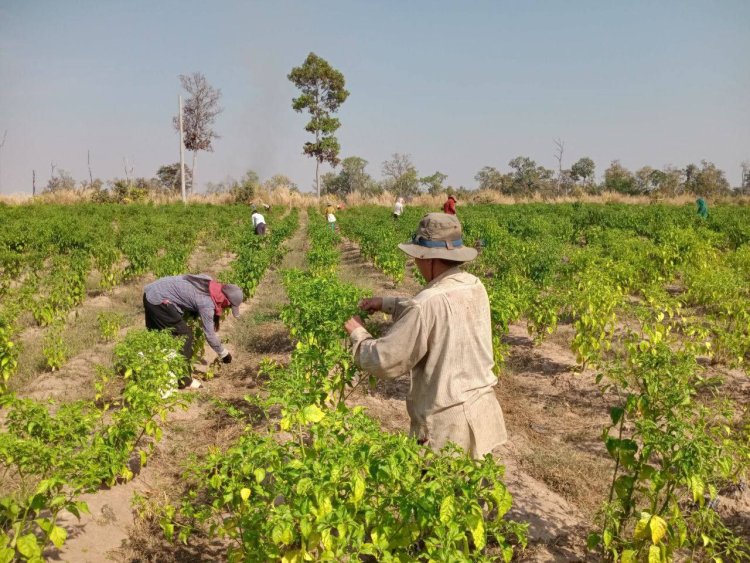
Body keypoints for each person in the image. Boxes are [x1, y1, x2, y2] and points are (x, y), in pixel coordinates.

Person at [343, 213, 507, 459]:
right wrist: (387, 303)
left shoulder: (428, 303)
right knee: (472, 491)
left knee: (437, 492)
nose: (416, 263)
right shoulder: (474, 284)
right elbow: (438, 314)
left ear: (428, 259)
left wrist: (358, 334)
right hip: (482, 411)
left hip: (446, 426)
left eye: (417, 258)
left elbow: (386, 359)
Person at [143, 274, 243, 385]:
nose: (226, 308)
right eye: (229, 306)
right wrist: (224, 354)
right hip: (158, 300)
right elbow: (209, 335)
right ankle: (184, 381)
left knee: (159, 335)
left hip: (152, 292)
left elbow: (188, 293)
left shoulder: (209, 282)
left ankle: (151, 369)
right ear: (225, 300)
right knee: (185, 336)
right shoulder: (207, 304)